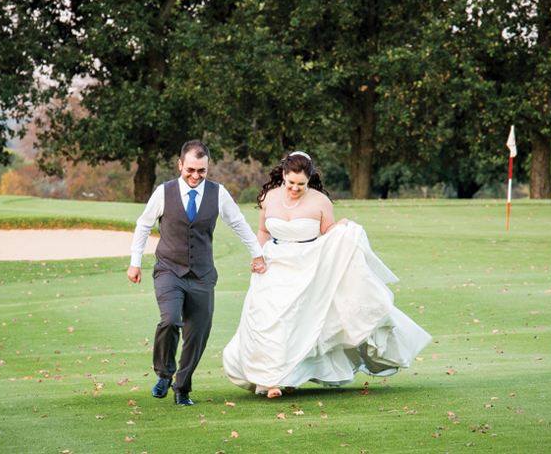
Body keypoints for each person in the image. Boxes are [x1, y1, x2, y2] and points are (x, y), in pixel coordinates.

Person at [223, 151, 432, 398]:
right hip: (274, 264)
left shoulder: (320, 201)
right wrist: (256, 257)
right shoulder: (268, 197)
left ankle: (288, 377)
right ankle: (271, 381)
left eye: (301, 184)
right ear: (283, 175)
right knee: (268, 319)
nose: (295, 188)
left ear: (309, 179)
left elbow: (328, 233)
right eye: (291, 183)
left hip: (307, 266)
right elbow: (262, 230)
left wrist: (342, 229)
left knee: (297, 322)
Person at [127, 140, 266, 406]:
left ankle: (182, 389)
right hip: (169, 269)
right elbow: (143, 225)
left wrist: (257, 253)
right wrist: (135, 262)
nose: (195, 176)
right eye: (190, 169)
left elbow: (239, 224)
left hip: (202, 275)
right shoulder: (163, 192)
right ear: (180, 164)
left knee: (197, 334)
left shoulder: (218, 193)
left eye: (201, 171)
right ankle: (164, 374)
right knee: (170, 320)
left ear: (208, 166)